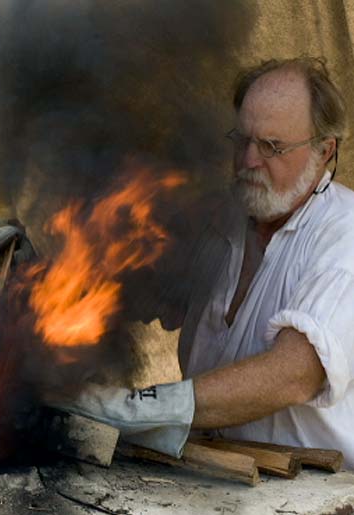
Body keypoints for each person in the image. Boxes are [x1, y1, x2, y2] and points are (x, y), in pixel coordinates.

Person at [50, 57, 354, 468]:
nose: (249, 161)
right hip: (212, 480)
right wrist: (44, 276)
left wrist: (139, 408)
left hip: (320, 506)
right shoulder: (220, 221)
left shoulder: (343, 234)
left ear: (324, 152)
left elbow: (295, 373)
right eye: (242, 140)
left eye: (272, 146)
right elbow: (133, 290)